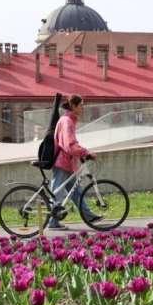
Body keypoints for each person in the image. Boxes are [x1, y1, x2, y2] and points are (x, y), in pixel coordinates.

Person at [48, 94, 103, 230]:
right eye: (81, 105)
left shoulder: (69, 120)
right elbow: (69, 144)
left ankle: (88, 216)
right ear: (73, 106)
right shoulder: (67, 121)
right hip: (62, 162)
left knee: (76, 191)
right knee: (57, 193)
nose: (83, 108)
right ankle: (52, 223)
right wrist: (85, 152)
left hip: (68, 162)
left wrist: (81, 153)